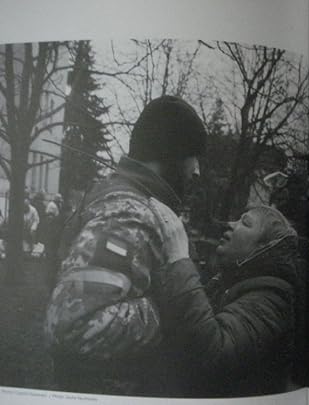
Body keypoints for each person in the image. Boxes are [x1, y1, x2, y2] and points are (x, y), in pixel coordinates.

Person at [44, 95, 207, 395]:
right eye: (192, 156)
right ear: (169, 153)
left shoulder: (125, 199)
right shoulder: (128, 211)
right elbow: (74, 326)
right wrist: (173, 309)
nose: (197, 170)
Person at [151, 204, 302, 397]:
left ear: (263, 248)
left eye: (245, 223)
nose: (230, 223)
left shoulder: (271, 300)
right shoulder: (235, 279)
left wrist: (179, 259)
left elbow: (214, 351)